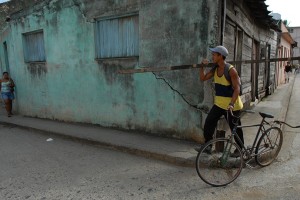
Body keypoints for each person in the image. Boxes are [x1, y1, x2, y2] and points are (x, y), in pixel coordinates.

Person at [194, 46, 244, 157]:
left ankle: (240, 150)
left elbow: (237, 89)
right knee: (209, 123)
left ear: (220, 56)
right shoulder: (215, 69)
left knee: (235, 129)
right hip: (219, 104)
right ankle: (207, 146)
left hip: (232, 106)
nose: (212, 56)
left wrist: (231, 104)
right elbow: (203, 78)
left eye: (214, 54)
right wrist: (202, 67)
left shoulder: (231, 70)